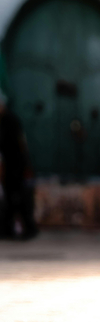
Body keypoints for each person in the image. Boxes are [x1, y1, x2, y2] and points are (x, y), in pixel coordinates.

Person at [0, 89, 38, 239]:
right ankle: (8, 229)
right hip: (9, 167)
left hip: (17, 166)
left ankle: (28, 229)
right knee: (10, 199)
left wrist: (26, 166)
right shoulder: (4, 121)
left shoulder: (11, 120)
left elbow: (20, 145)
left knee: (20, 199)